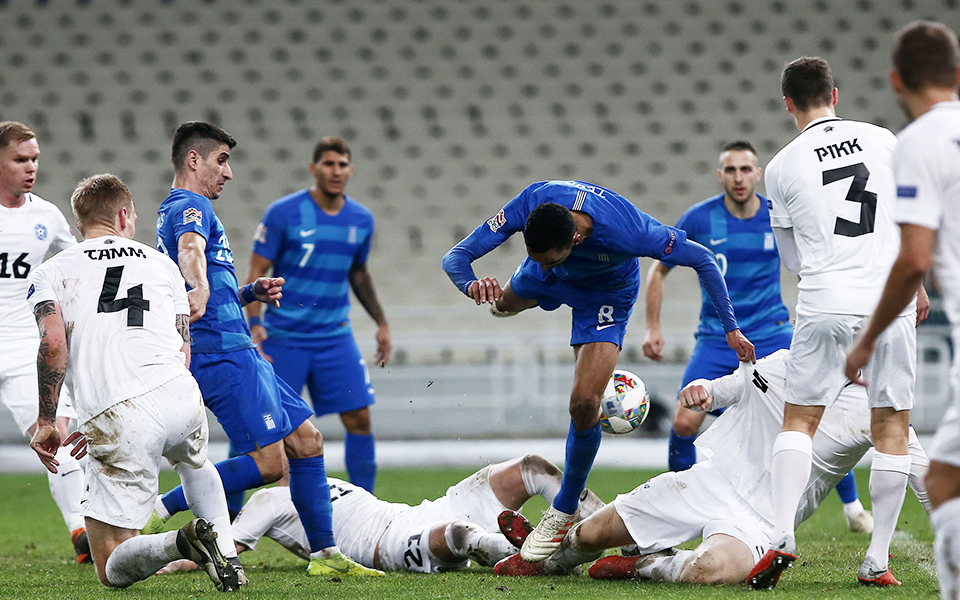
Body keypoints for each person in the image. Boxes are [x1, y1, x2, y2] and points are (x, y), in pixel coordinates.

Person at [442, 180, 755, 562]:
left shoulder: (629, 231)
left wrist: (731, 328)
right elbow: (455, 258)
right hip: (550, 282)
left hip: (605, 296)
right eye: (534, 256)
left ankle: (563, 508)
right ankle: (511, 297)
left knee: (584, 404)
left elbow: (703, 259)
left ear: (574, 240)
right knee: (504, 304)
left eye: (550, 258)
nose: (544, 262)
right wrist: (472, 285)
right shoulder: (533, 204)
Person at [150, 121, 382, 577]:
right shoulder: (189, 205)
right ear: (193, 160)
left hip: (240, 348)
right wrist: (197, 284)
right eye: (222, 160)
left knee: (307, 441)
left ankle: (326, 557)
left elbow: (207, 286)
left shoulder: (175, 208)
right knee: (269, 463)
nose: (229, 172)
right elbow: (191, 250)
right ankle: (161, 507)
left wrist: (248, 293)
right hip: (222, 353)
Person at [493, 350, 931, 586]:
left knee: (714, 570)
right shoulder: (782, 365)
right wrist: (702, 390)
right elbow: (728, 388)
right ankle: (544, 561)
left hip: (762, 521)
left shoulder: (878, 409)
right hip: (710, 480)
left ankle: (646, 565)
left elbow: (922, 473)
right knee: (591, 535)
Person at [749, 57, 921, 589]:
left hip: (823, 300)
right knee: (892, 428)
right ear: (835, 95)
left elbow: (792, 260)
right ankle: (877, 559)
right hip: (887, 303)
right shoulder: (885, 140)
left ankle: (780, 534)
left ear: (788, 104)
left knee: (799, 421)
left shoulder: (778, 167)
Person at [26, 174, 242, 590]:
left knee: (109, 566)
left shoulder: (51, 271)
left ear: (79, 223)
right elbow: (183, 347)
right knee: (194, 462)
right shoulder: (162, 263)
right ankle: (230, 557)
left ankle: (181, 542)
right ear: (124, 214)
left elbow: (53, 345)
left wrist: (49, 420)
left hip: (120, 410)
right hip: (181, 393)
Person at [642, 140, 871, 533]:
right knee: (683, 422)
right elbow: (659, 270)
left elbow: (810, 266)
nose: (739, 177)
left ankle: (853, 509)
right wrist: (653, 326)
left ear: (758, 173)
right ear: (720, 176)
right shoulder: (699, 219)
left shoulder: (777, 213)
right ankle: (675, 509)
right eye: (730, 170)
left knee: (811, 415)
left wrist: (815, 318)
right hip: (716, 339)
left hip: (772, 334)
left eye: (746, 169)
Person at [844, 21, 960, 599]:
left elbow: (913, 258)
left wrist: (866, 339)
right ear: (958, 75)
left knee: (941, 479)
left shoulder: (917, 141)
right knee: (942, 477)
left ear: (895, 81)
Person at [162, 455, 606, 575]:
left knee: (531, 468)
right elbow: (225, 551)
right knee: (460, 534)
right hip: (383, 546)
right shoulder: (265, 502)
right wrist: (169, 561)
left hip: (416, 511)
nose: (290, 447)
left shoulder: (317, 476)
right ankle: (537, 556)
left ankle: (608, 527)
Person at [245, 136, 389, 494]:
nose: (336, 171)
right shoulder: (283, 213)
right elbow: (256, 274)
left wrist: (381, 323)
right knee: (265, 427)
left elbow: (359, 273)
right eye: (328, 163)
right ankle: (234, 511)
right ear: (314, 169)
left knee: (360, 418)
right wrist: (255, 324)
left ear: (351, 170)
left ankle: (366, 504)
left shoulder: (361, 219)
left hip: (334, 338)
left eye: (342, 164)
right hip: (284, 338)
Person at [0, 121, 90, 563]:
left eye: (34, 158)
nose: (31, 167)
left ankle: (81, 533)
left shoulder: (47, 216)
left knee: (57, 434)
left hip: (20, 347)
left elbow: (78, 263)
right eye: (20, 159)